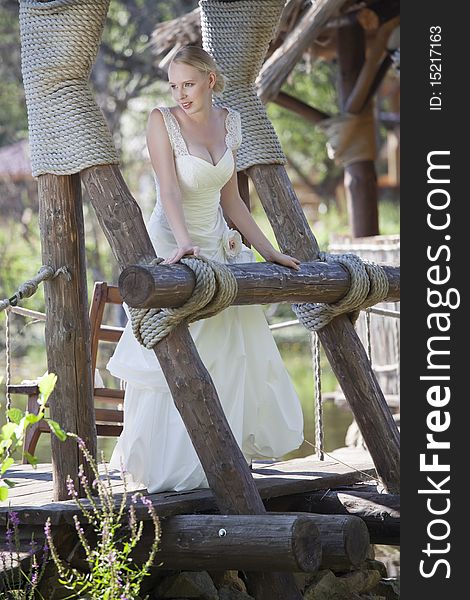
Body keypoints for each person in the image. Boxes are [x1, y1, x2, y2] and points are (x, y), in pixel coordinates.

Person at [107, 46, 304, 493]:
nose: (181, 94)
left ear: (211, 80)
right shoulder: (163, 121)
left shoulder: (230, 120)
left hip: (219, 244)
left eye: (188, 84)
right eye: (174, 86)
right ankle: (171, 465)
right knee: (183, 345)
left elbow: (231, 199)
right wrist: (183, 244)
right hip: (173, 241)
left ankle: (221, 460)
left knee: (229, 347)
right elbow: (169, 192)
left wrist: (268, 251)